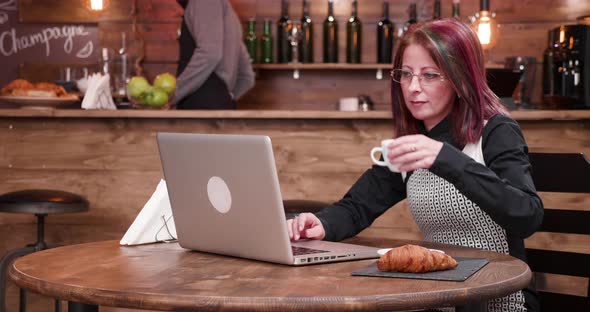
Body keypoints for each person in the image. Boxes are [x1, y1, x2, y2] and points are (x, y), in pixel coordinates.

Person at [287, 19, 543, 312]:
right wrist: (322, 223)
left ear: (460, 79)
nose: (413, 87)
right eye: (406, 74)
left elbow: (528, 215)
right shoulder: (412, 140)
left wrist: (445, 159)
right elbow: (358, 206)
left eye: (430, 75)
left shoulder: (496, 131)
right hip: (442, 298)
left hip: (500, 300)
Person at [175, 0, 255, 109]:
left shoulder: (203, 3)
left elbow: (210, 54)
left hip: (198, 110)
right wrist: (224, 99)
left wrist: (172, 94)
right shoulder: (227, 11)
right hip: (220, 110)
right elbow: (247, 77)